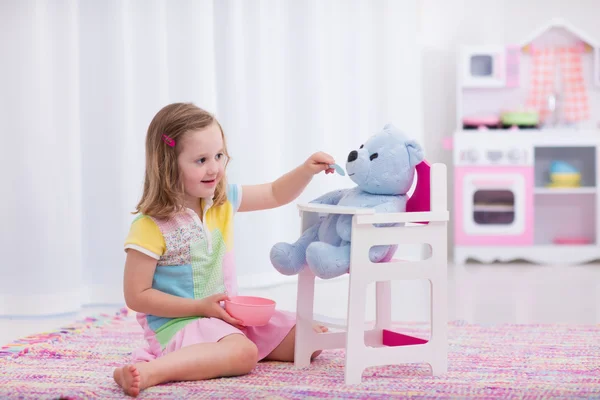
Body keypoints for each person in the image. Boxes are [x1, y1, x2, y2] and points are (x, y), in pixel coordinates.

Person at [113, 103, 334, 397]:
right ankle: (153, 370)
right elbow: (136, 297)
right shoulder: (151, 225)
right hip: (179, 323)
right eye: (201, 160)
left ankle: (221, 349)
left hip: (223, 315)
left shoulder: (222, 200)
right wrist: (199, 308)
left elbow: (274, 193)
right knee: (244, 355)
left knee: (308, 342)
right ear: (168, 164)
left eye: (218, 155)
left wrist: (307, 170)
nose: (214, 167)